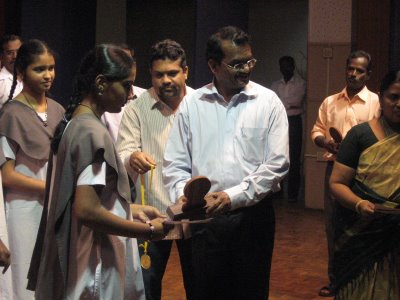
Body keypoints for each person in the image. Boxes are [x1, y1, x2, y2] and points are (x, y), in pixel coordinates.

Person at [28, 44, 170, 300]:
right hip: (94, 260)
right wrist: (147, 232)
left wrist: (133, 210)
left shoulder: (74, 123)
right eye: (126, 85)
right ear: (101, 83)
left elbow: (91, 198)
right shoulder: (92, 133)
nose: (130, 95)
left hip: (84, 254)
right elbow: (87, 210)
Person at [163, 26, 289, 300]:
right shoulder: (192, 104)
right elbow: (174, 164)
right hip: (202, 220)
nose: (245, 69)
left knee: (250, 292)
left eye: (249, 61)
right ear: (213, 65)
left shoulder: (268, 102)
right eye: (236, 64)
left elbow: (277, 165)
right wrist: (187, 198)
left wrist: (231, 197)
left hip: (252, 218)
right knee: (203, 292)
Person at [117, 39, 194, 300]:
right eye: (159, 75)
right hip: (152, 213)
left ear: (186, 71)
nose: (166, 80)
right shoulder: (136, 109)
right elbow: (123, 152)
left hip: (195, 212)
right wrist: (132, 157)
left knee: (200, 286)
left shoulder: (202, 104)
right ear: (150, 75)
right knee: (146, 288)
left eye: (172, 73)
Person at [311, 50, 381, 297]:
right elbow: (317, 131)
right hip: (335, 171)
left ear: (368, 74)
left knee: (364, 225)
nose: (353, 74)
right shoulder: (330, 102)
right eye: (351, 68)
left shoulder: (377, 103)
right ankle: (336, 280)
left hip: (366, 175)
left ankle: (362, 278)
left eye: (360, 70)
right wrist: (325, 143)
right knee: (333, 227)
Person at [0, 39, 65, 299]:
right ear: (22, 72)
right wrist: (49, 188)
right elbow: (8, 175)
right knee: (26, 276)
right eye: (39, 69)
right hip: (24, 211)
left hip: (54, 207)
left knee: (53, 278)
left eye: (51, 68)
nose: (48, 75)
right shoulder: (10, 114)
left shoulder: (59, 110)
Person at [329, 69, 400, 299]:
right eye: (393, 97)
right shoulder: (360, 135)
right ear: (381, 96)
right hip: (363, 234)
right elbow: (337, 183)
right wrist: (359, 204)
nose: (399, 104)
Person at [271, 56, 306, 202]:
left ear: (292, 67)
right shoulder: (275, 85)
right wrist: (288, 105)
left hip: (294, 122)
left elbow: (296, 101)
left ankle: (292, 195)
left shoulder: (301, 83)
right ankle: (277, 193)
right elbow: (274, 103)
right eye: (282, 66)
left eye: (287, 66)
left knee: (294, 158)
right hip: (278, 122)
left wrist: (284, 105)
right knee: (277, 156)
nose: (284, 69)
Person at [101, 44, 145, 143]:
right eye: (121, 63)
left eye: (129, 61)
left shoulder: (147, 97)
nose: (126, 68)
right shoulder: (104, 105)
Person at [0, 34, 23, 107]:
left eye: (18, 51)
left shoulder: (31, 78)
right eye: (9, 53)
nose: (15, 56)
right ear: (2, 56)